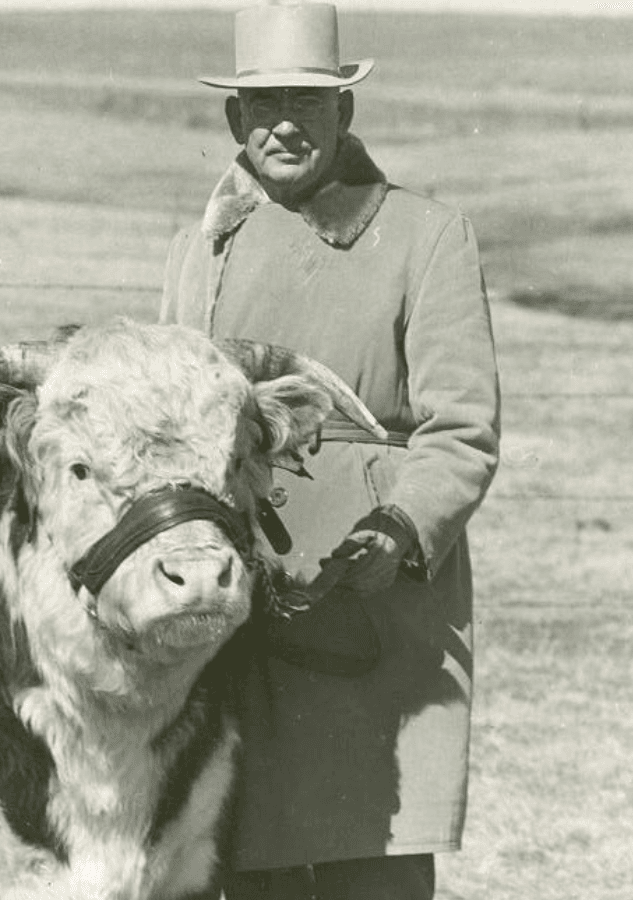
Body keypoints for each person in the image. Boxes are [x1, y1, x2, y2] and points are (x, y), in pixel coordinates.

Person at [160, 4, 501, 899]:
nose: (283, 122)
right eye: (262, 102)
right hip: (236, 599)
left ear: (344, 114)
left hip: (372, 593)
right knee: (246, 854)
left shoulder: (425, 237)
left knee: (367, 855)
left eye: (307, 103)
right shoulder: (197, 250)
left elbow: (461, 430)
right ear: (234, 120)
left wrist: (396, 528)